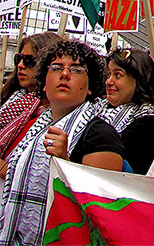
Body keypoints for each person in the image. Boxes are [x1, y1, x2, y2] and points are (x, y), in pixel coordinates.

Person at [0, 40, 124, 246]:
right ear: (44, 82)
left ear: (91, 86)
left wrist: (64, 163)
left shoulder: (101, 135)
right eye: (56, 68)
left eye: (76, 70)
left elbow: (100, 213)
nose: (64, 74)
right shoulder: (35, 128)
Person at [94, 48, 154, 174]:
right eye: (108, 75)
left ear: (139, 79)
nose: (108, 82)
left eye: (117, 75)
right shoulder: (95, 110)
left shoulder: (147, 127)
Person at [0, 32, 60, 167]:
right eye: (19, 59)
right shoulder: (13, 100)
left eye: (29, 61)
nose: (21, 65)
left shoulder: (53, 113)